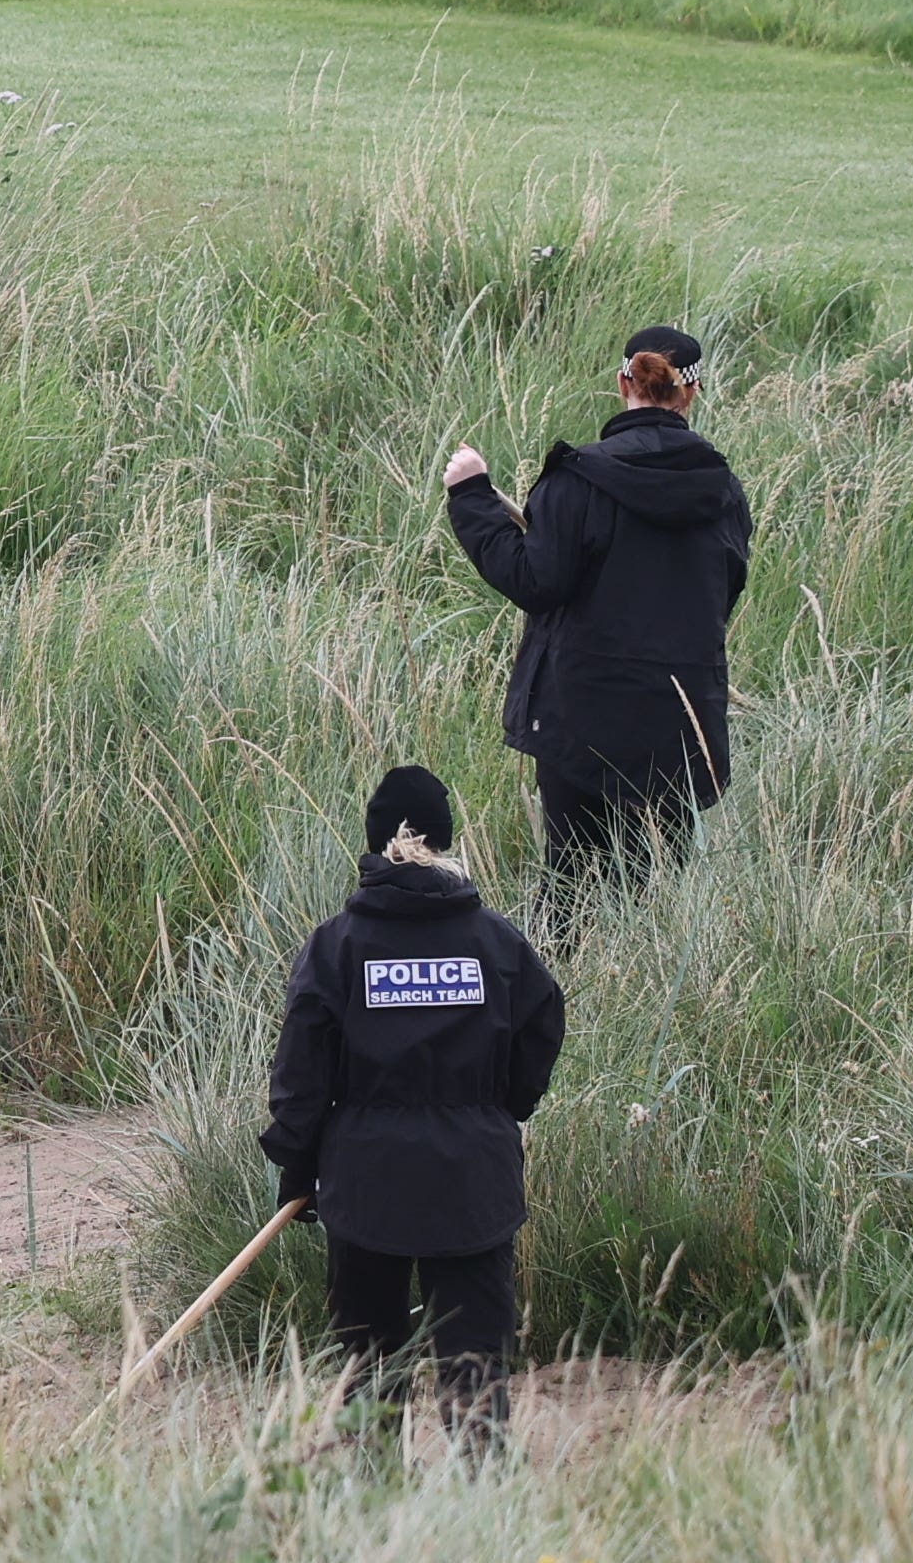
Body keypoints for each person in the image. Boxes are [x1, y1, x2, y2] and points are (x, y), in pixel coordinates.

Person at [258, 763, 569, 1454]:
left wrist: (297, 1164)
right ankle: (482, 1508)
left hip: (366, 1184)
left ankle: (373, 1506)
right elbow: (544, 1023)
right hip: (474, 1181)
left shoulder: (338, 945)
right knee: (474, 1365)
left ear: (373, 845)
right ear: (448, 840)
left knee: (371, 1365)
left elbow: (302, 1072)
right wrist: (499, 1107)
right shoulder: (496, 942)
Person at [443, 326, 752, 880]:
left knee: (570, 889)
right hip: (680, 721)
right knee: (653, 891)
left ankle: (560, 969)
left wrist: (471, 497)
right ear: (693, 392)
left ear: (622, 383)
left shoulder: (577, 478)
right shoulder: (725, 491)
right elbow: (722, 595)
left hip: (579, 719)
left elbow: (534, 582)